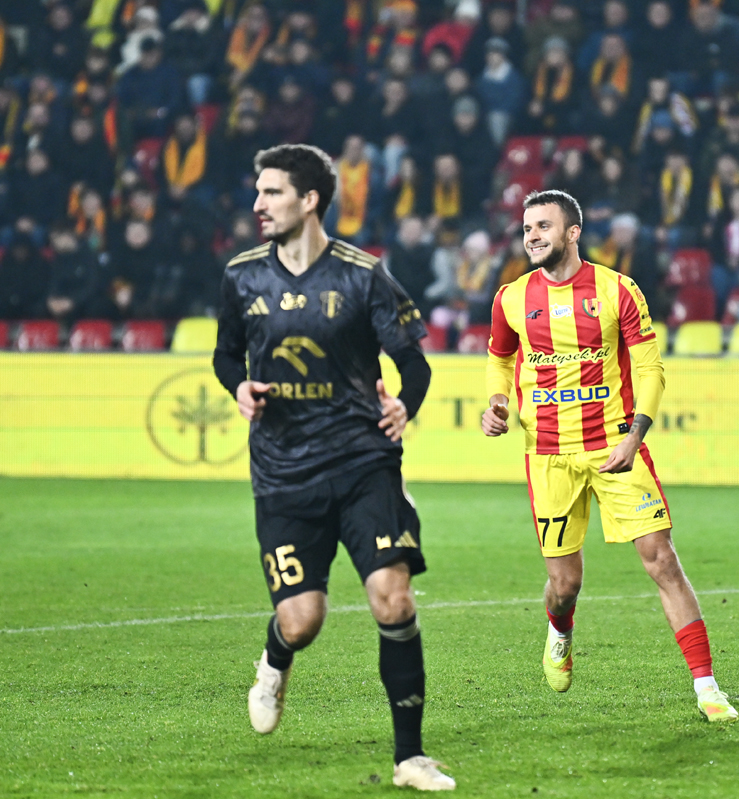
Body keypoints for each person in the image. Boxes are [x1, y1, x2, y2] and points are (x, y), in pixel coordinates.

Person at [212, 144, 453, 791]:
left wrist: (406, 404)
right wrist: (238, 386)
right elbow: (226, 355)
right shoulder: (241, 276)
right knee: (303, 620)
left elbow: (415, 362)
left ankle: (410, 757)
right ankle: (274, 660)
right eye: (259, 192)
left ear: (309, 199)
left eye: (272, 192)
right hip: (283, 474)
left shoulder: (363, 275)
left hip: (362, 462)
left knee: (392, 597)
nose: (259, 205)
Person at [480, 189, 739, 724]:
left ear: (573, 232)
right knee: (565, 584)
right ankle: (560, 629)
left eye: (543, 226)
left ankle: (707, 687)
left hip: (615, 445)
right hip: (548, 452)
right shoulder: (511, 297)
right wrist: (498, 402)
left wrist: (635, 437)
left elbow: (650, 368)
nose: (532, 236)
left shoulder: (617, 289)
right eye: (527, 228)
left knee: (661, 559)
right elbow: (500, 359)